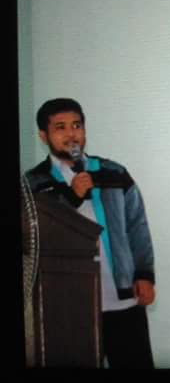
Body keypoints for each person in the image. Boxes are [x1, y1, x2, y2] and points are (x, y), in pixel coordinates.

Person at [25, 98, 156, 368]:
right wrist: (71, 196)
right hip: (67, 304)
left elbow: (137, 226)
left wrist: (144, 274)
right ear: (43, 136)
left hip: (122, 299)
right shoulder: (33, 182)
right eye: (60, 127)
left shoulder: (114, 172)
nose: (71, 134)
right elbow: (35, 238)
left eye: (77, 125)